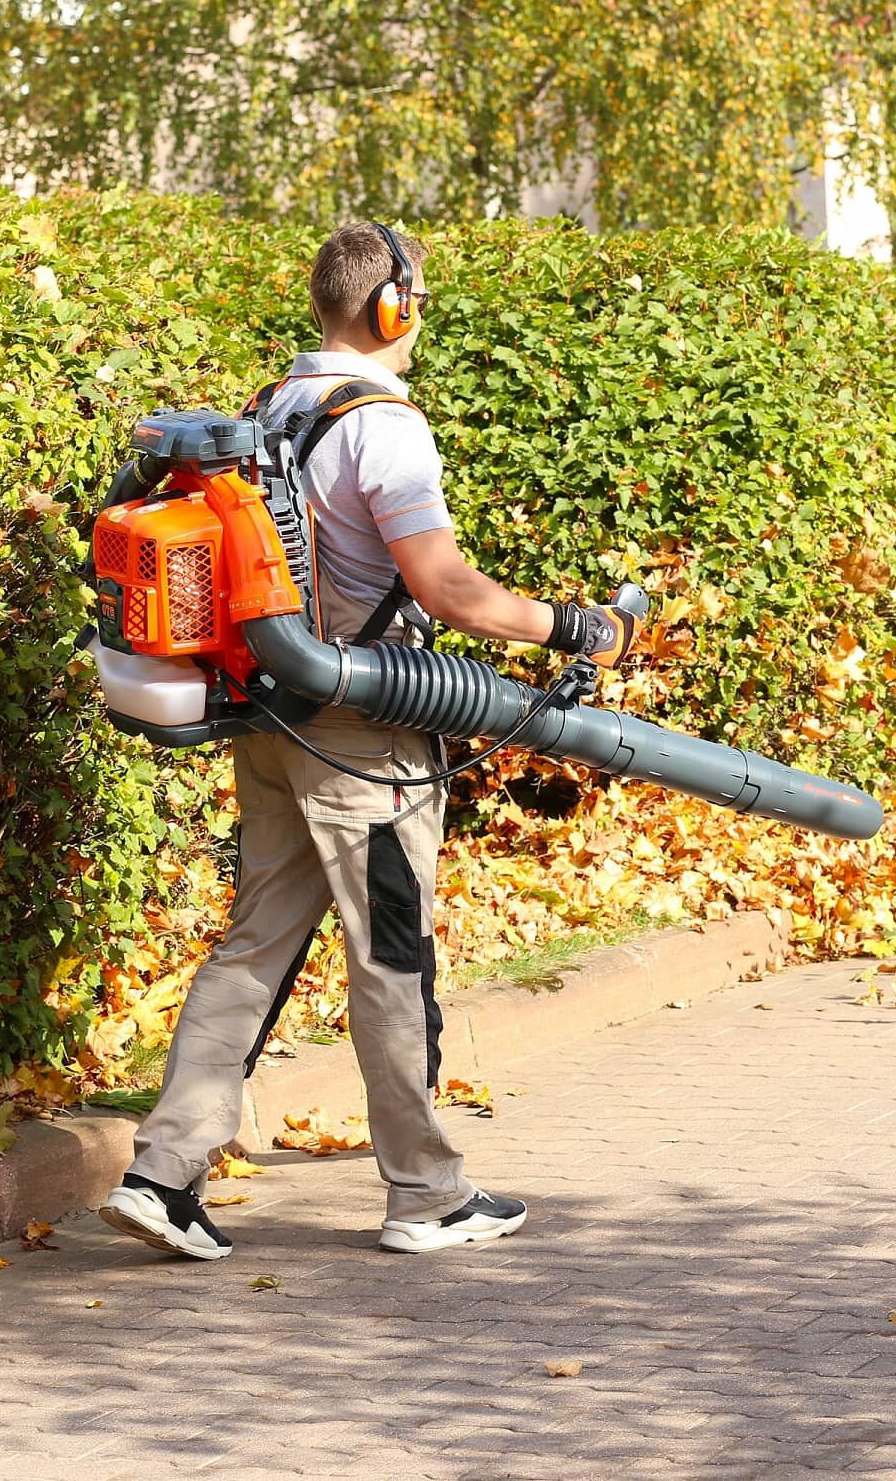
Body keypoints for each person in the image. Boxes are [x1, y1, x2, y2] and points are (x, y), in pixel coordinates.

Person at [99, 222, 634, 1260]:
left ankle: (162, 1174)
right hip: (368, 732)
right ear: (395, 308)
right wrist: (577, 626)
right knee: (392, 956)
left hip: (272, 713)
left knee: (256, 943)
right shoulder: (383, 425)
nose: (418, 318)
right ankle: (427, 1194)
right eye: (417, 301)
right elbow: (447, 589)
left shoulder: (270, 409)